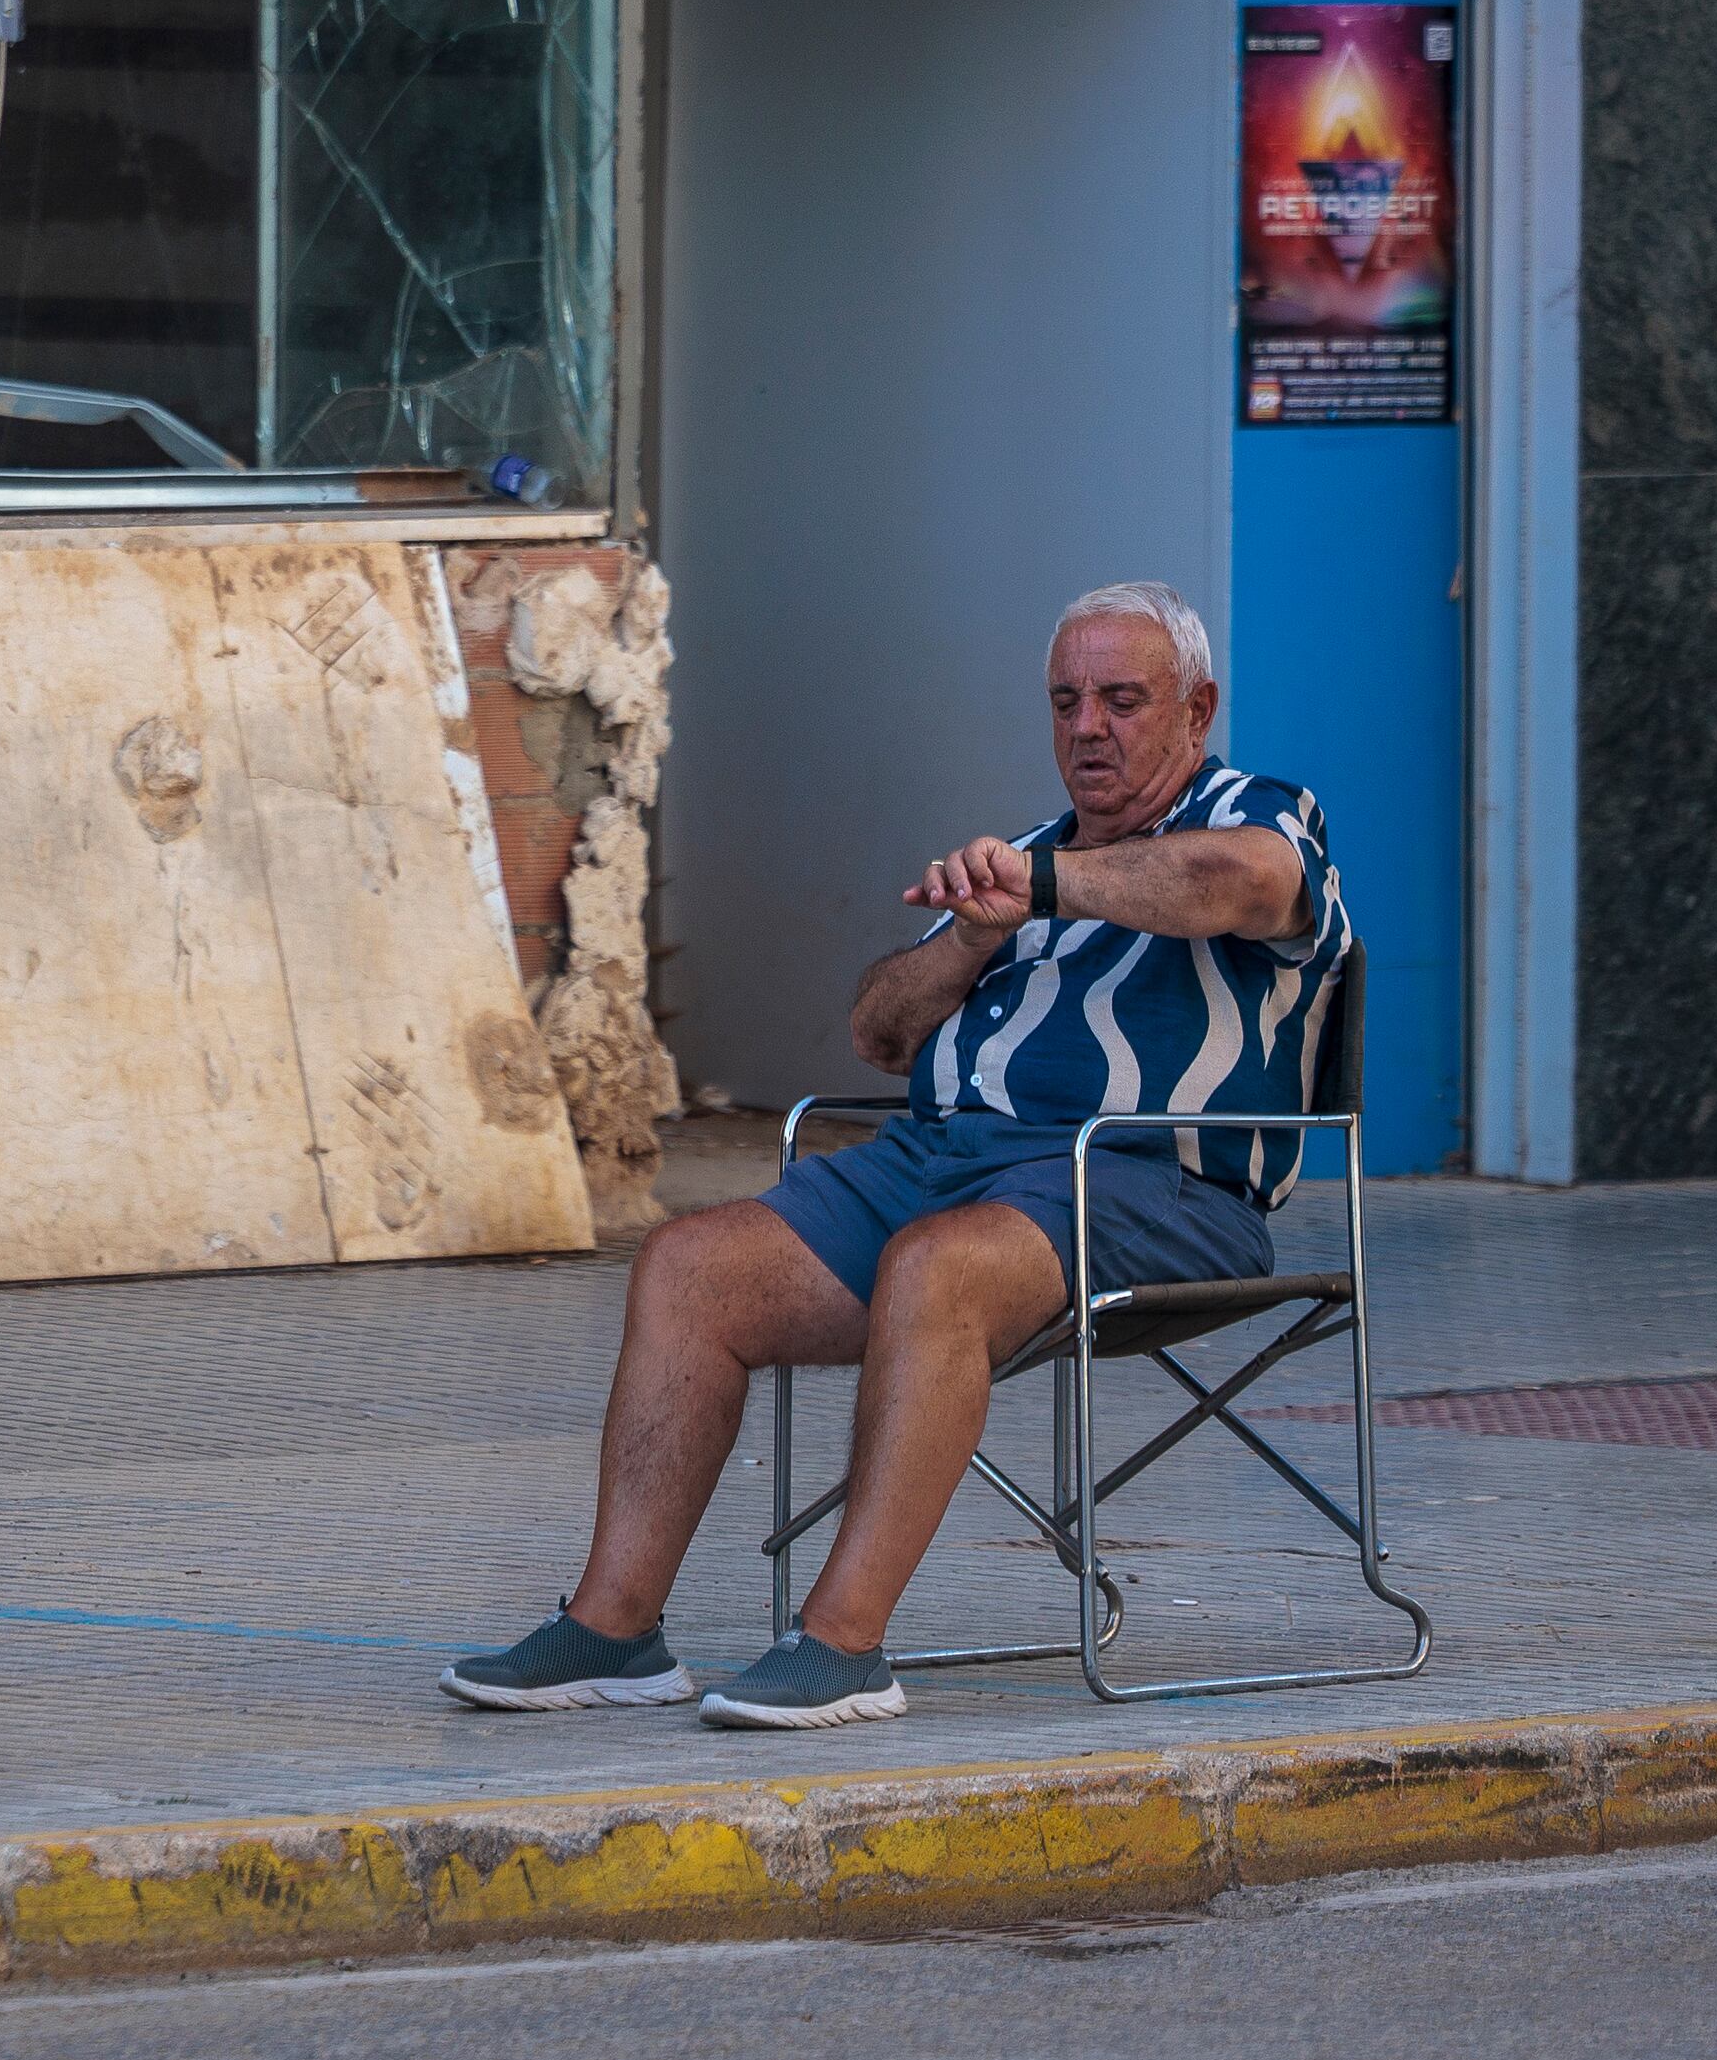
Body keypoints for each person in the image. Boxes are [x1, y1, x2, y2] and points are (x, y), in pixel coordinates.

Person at [443, 581, 1351, 1731]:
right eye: (1066, 701)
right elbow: (877, 1028)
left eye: (1122, 700)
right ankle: (613, 1628)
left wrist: (1046, 889)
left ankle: (842, 1645)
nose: (1087, 727)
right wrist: (979, 930)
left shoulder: (1256, 811)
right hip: (936, 1159)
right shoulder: (1025, 858)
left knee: (939, 1267)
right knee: (686, 1264)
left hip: (1143, 1181)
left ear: (1196, 707)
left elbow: (1240, 886)